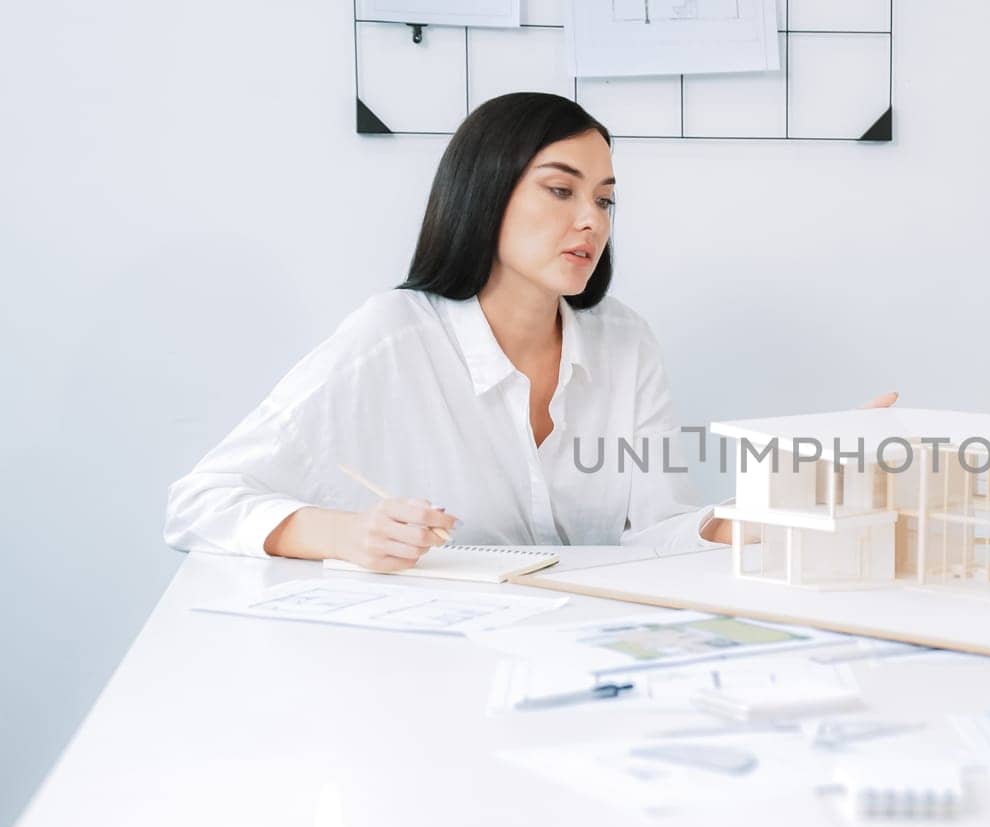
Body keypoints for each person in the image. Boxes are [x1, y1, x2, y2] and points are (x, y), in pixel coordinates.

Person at [164, 92, 892, 570]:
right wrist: (345, 536)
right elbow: (202, 501)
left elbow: (657, 533)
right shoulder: (392, 335)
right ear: (485, 193)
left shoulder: (624, 341)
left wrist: (776, 502)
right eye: (560, 189)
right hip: (434, 673)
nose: (592, 221)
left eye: (605, 200)